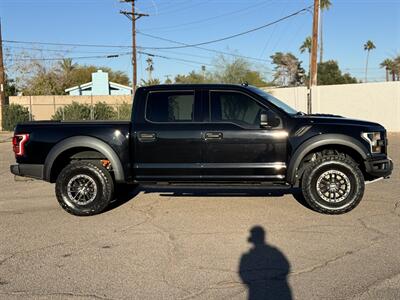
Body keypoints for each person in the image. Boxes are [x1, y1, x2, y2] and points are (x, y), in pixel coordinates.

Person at [239, 226, 292, 300]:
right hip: (278, 287)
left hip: (258, 289)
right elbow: (286, 266)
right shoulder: (274, 251)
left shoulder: (247, 256)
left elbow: (242, 273)